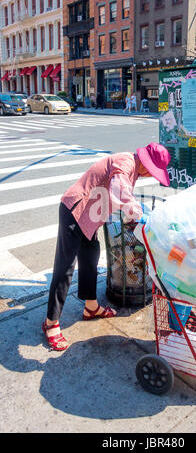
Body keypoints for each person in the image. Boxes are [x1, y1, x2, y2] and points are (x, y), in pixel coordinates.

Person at [42, 143, 171, 351]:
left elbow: (121, 197)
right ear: (147, 165)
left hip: (90, 218)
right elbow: (120, 192)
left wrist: (134, 216)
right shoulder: (125, 161)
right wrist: (141, 216)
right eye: (153, 172)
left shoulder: (133, 169)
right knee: (65, 268)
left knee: (91, 257)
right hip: (75, 212)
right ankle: (51, 323)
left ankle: (91, 307)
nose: (151, 175)